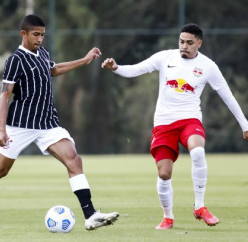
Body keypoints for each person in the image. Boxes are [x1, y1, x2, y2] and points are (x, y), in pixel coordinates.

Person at [0, 14, 119, 231]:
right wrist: (1, 130)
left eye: (43, 35)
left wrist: (84, 60)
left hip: (48, 124)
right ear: (23, 34)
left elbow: (53, 70)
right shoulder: (15, 60)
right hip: (20, 125)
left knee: (74, 160)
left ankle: (90, 215)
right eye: (35, 35)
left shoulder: (42, 53)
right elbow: (4, 96)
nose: (39, 39)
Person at [102, 23, 248, 229]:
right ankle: (168, 217)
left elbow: (228, 97)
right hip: (163, 123)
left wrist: (245, 124)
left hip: (190, 119)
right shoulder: (165, 57)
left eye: (189, 43)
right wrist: (116, 68)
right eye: (181, 41)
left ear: (199, 43)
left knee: (198, 152)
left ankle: (200, 206)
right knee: (164, 174)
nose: (184, 46)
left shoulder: (208, 66)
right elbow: (136, 69)